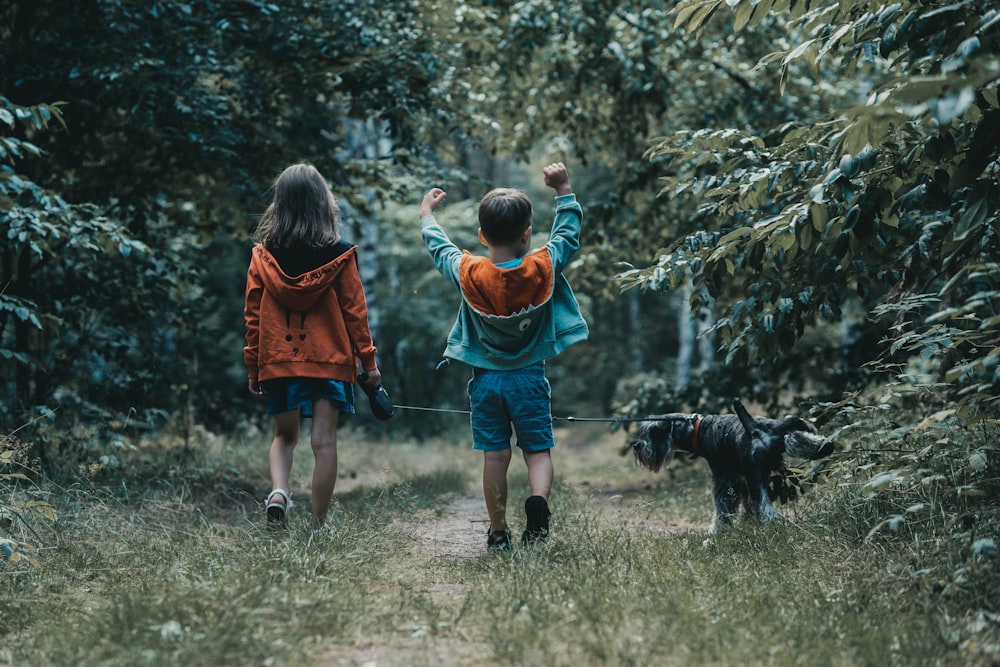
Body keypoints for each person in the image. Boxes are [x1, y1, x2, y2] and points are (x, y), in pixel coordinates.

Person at [418, 162, 589, 551]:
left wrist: (427, 216)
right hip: (528, 377)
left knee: (495, 458)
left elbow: (440, 249)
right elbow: (567, 235)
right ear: (527, 234)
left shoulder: (469, 272)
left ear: (481, 235)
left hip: (487, 382)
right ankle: (538, 501)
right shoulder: (542, 265)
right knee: (537, 450)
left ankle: (498, 533)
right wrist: (563, 189)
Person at [244, 162, 382, 531]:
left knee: (284, 437)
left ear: (281, 204)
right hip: (330, 361)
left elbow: (253, 316)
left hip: (279, 360)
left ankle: (278, 492)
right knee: (323, 442)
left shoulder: (262, 257)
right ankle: (318, 525)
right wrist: (369, 363)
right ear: (323, 203)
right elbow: (356, 313)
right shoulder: (340, 255)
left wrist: (254, 366)